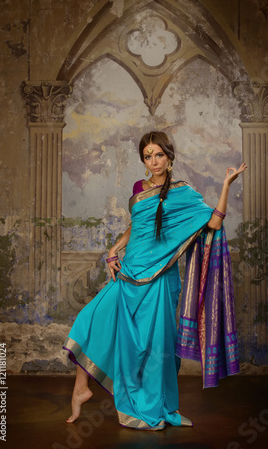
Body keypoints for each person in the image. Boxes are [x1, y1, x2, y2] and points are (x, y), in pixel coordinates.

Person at [63, 130, 247, 430]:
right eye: (147, 156)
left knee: (157, 345)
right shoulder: (140, 187)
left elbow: (213, 222)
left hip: (162, 276)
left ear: (169, 156)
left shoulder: (183, 192)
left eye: (158, 154)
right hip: (130, 271)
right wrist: (114, 249)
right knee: (91, 318)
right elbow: (138, 226)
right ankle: (80, 387)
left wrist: (226, 186)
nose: (153, 161)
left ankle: (161, 406)